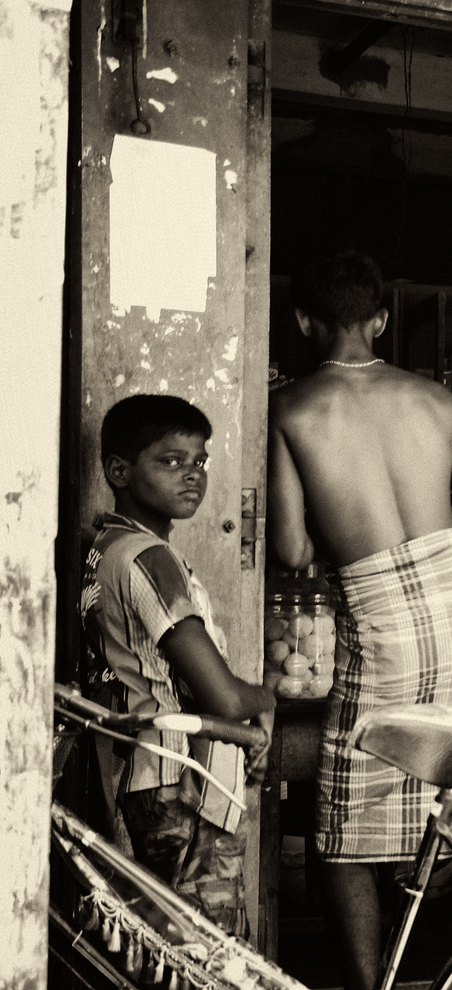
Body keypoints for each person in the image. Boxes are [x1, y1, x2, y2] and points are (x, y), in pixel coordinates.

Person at [268, 250, 452, 990]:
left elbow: (290, 547)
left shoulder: (291, 408)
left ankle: (371, 984)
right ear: (379, 320)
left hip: (378, 615)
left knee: (345, 819)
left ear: (304, 321)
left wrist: (346, 542)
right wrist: (431, 541)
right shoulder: (435, 399)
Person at [81, 394, 277, 935]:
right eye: (170, 461)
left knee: (165, 937)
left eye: (199, 461)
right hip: (182, 776)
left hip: (144, 772)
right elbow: (225, 699)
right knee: (202, 943)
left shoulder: (103, 547)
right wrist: (267, 701)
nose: (192, 475)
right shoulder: (147, 556)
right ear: (119, 471)